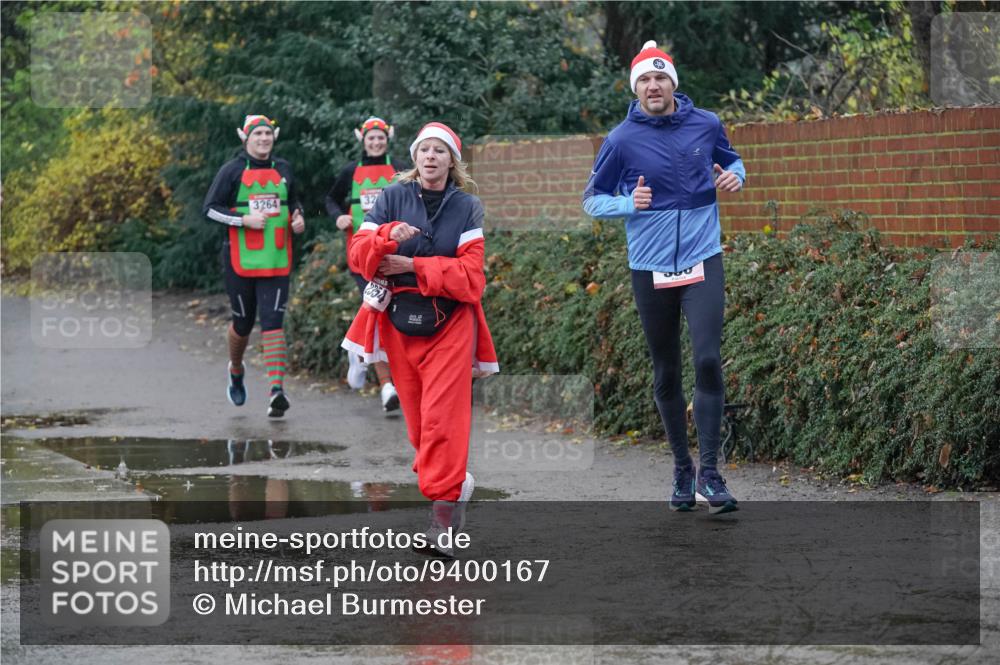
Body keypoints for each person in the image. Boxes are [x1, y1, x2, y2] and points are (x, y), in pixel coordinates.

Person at [582, 41, 746, 514]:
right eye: (645, 81)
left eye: (661, 78)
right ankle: (681, 468)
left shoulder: (706, 123)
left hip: (702, 260)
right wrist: (626, 204)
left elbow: (731, 160)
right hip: (650, 268)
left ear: (673, 83)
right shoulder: (620, 139)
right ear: (637, 89)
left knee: (709, 359)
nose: (654, 86)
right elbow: (592, 199)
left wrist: (738, 175)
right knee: (666, 371)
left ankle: (711, 474)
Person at [341, 122, 499, 556]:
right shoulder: (391, 198)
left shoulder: (467, 207)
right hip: (397, 322)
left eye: (440, 151)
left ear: (452, 161)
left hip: (451, 322)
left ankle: (442, 522)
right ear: (414, 158)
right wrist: (385, 237)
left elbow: (472, 280)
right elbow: (358, 254)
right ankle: (454, 487)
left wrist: (413, 267)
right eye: (424, 149)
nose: (431, 156)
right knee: (419, 428)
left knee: (443, 420)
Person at [203, 115, 305, 418]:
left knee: (273, 322)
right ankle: (236, 369)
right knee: (244, 323)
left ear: (273, 137)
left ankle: (276, 391)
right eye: (257, 134)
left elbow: (294, 201)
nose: (263, 139)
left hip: (276, 257)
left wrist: (298, 217)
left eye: (267, 134)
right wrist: (243, 220)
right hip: (239, 258)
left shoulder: (284, 168)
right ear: (245, 139)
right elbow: (209, 209)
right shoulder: (231, 171)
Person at [325, 117, 409, 412]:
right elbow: (331, 199)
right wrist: (338, 216)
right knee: (378, 307)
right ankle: (387, 386)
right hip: (362, 255)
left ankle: (357, 350)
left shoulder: (399, 167)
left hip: (396, 254)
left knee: (383, 312)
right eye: (371, 138)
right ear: (363, 139)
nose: (376, 143)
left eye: (380, 138)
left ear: (388, 139)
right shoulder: (351, 171)